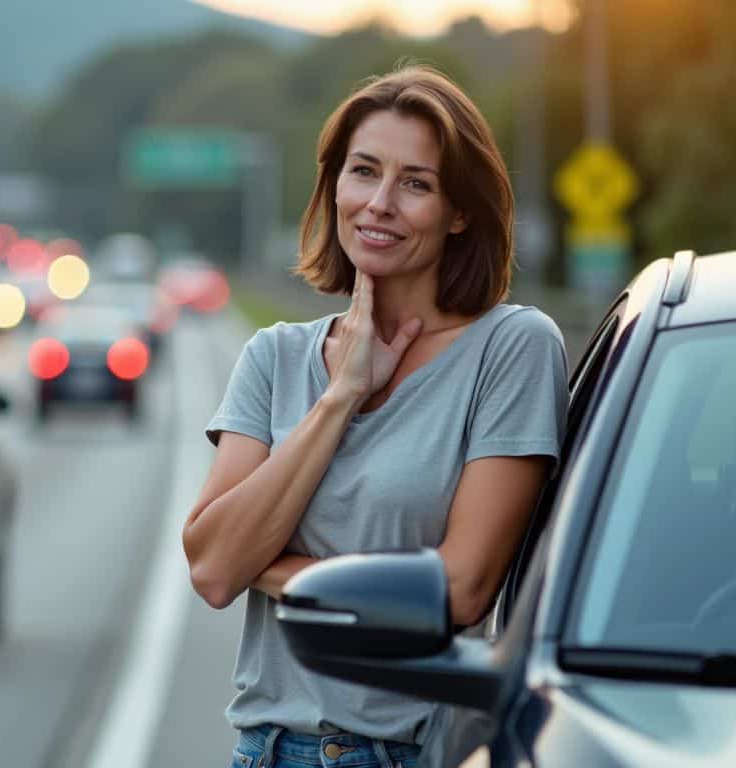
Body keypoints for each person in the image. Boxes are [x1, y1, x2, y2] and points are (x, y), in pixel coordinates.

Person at [181, 65, 569, 768]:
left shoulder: (512, 349)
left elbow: (461, 589)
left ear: (459, 210)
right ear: (335, 187)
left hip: (406, 753)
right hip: (263, 750)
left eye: (416, 183)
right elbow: (212, 568)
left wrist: (267, 562)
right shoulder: (275, 355)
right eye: (364, 172)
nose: (380, 203)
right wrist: (340, 398)